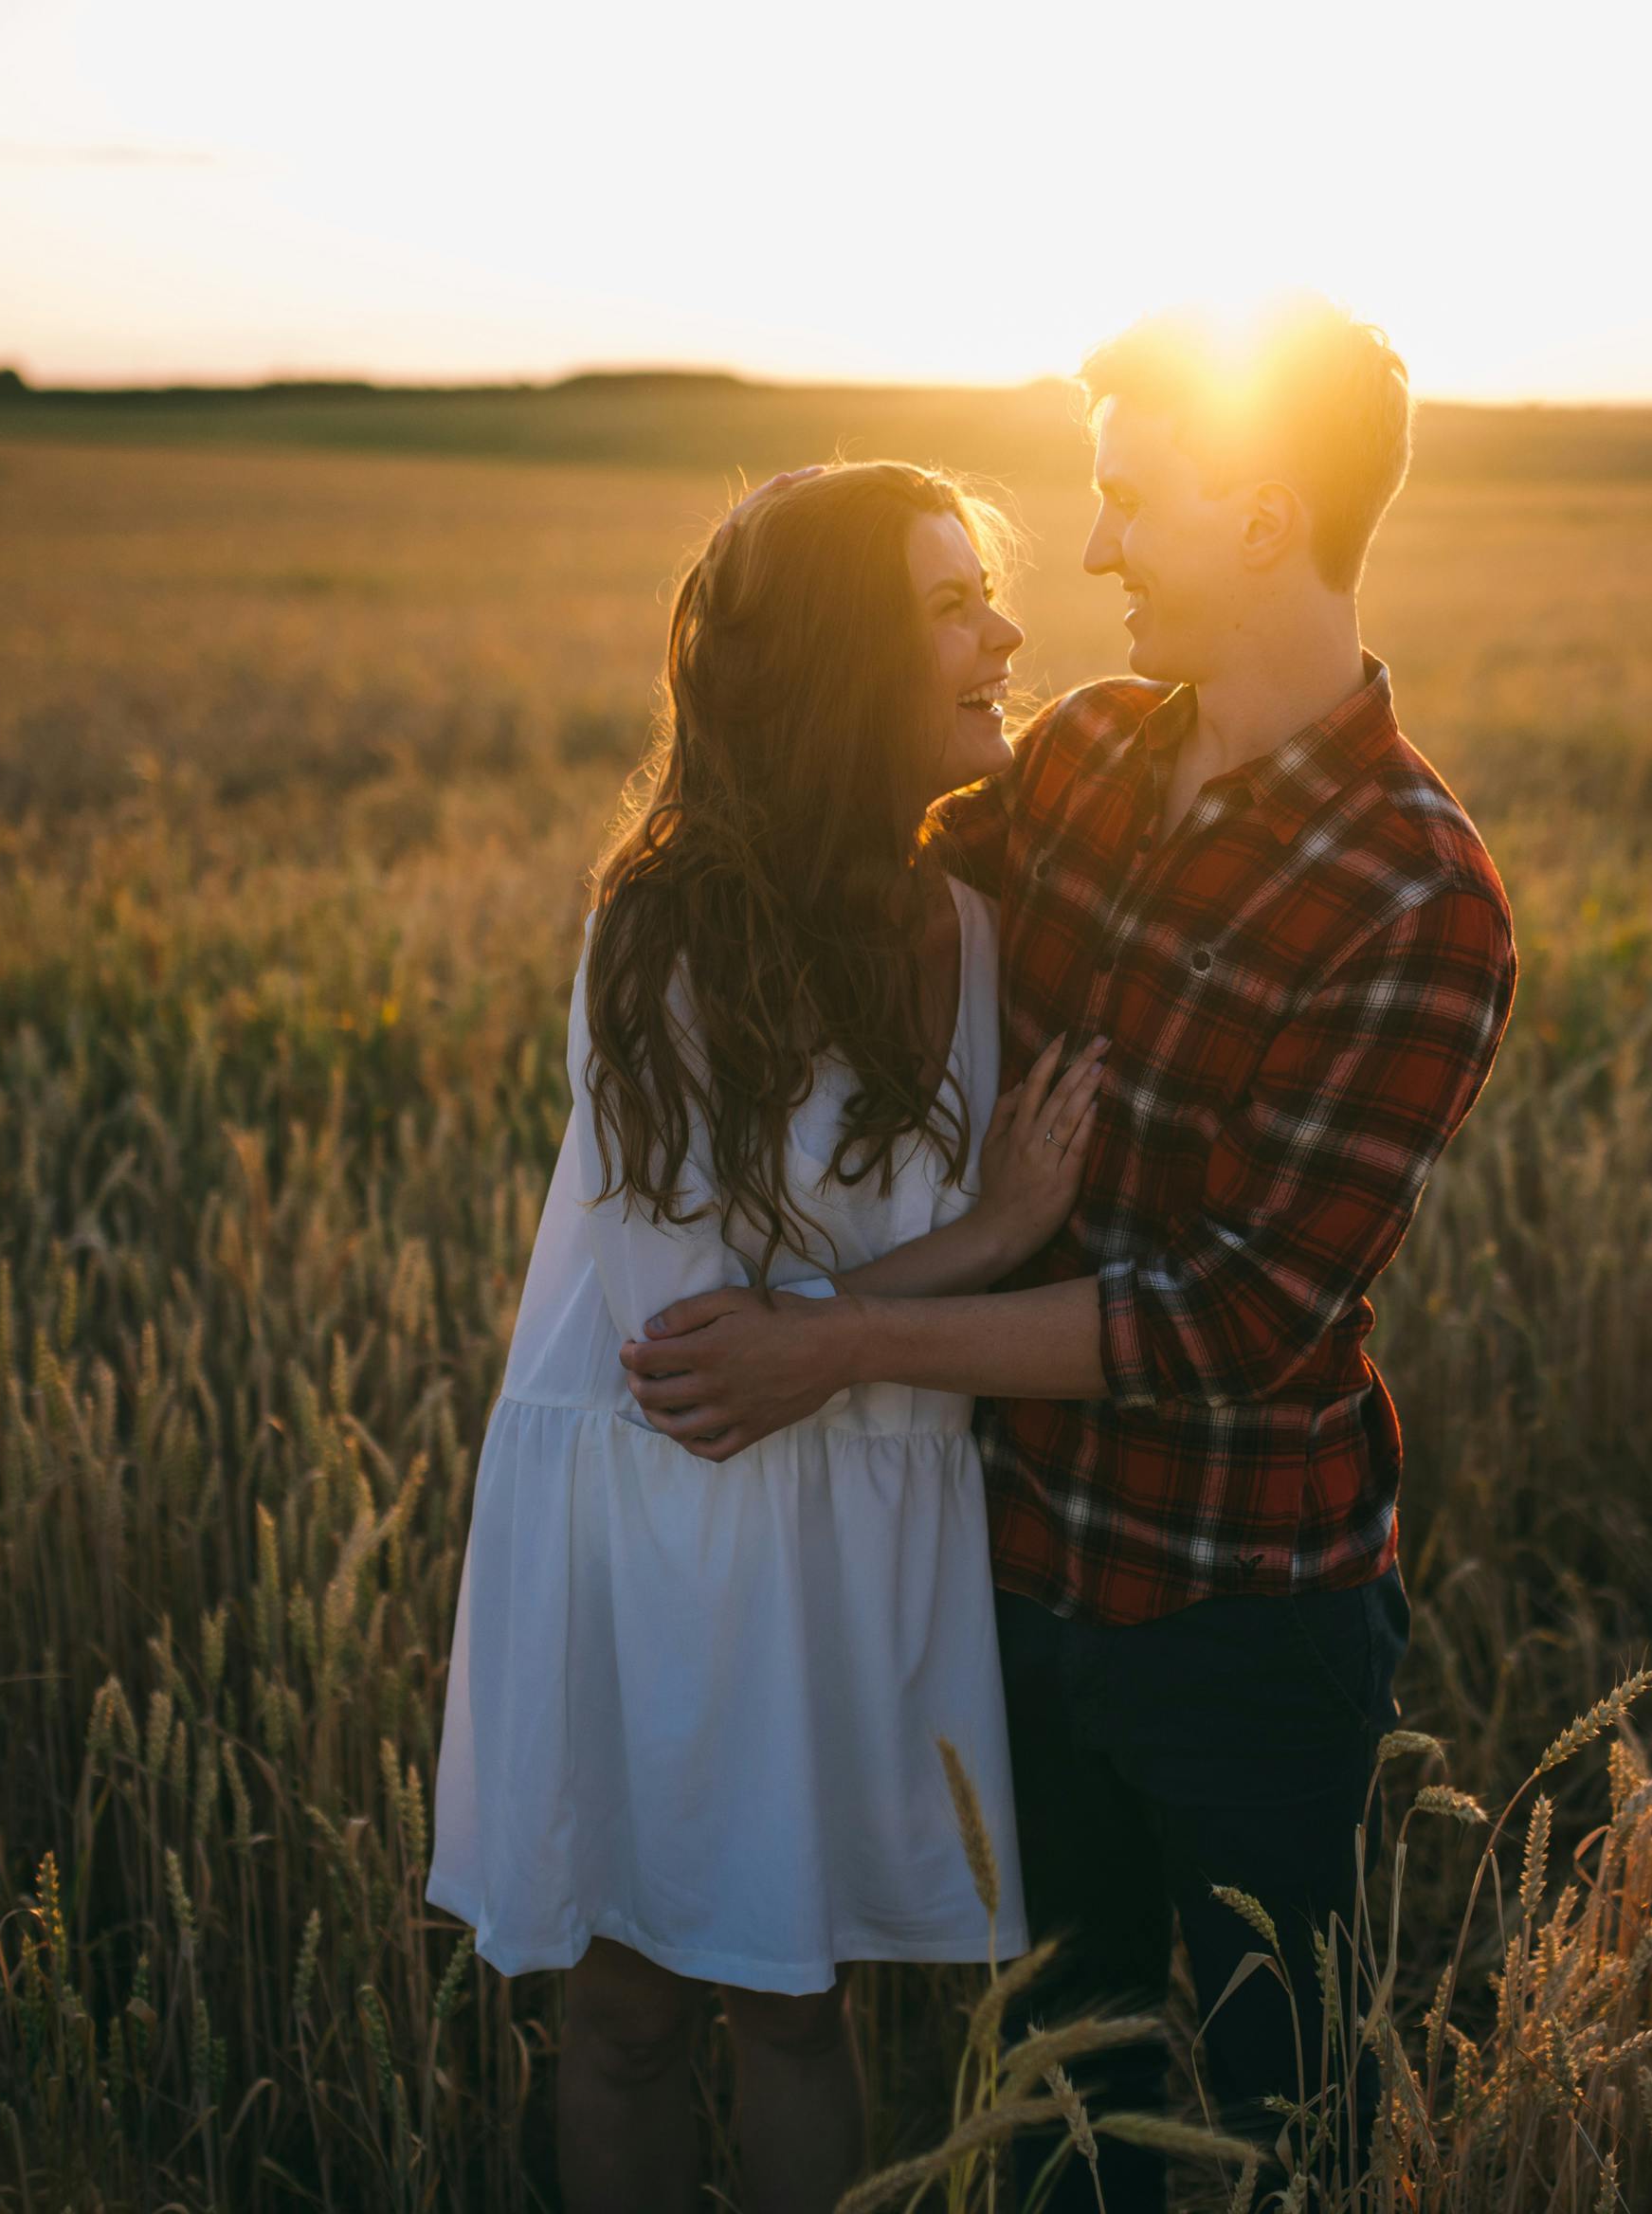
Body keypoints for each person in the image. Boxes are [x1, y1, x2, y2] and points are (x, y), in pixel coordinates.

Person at [618, 299, 1519, 2209]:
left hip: (1239, 1614)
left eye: (1128, 502)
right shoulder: (1090, 758)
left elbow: (1239, 1323)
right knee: (1054, 2109)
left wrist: (838, 1338)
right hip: (1011, 1577)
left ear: (1263, 518)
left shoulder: (1418, 894)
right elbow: (826, 844)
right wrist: (762, 616)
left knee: (1288, 2124)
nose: (1091, 551)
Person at [427, 461, 1112, 2214]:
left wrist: (888, 1308)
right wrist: (996, 1240)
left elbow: (799, 1327)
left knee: (799, 2009)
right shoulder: (665, 928)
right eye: (951, 606)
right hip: (677, 1525)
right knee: (633, 2005)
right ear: (838, 661)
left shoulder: (968, 930)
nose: (1006, 633)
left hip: (864, 1516)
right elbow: (695, 1358)